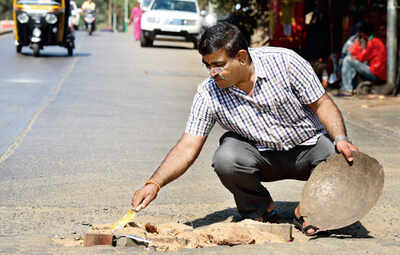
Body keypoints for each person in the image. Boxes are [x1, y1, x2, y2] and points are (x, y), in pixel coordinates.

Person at [131, 22, 358, 236]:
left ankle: (310, 210)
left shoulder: (286, 62)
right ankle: (259, 208)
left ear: (241, 57)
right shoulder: (208, 93)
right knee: (226, 159)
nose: (212, 72)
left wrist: (340, 138)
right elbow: (188, 145)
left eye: (218, 65)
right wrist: (155, 183)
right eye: (208, 65)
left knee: (341, 160)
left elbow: (322, 104)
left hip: (309, 147)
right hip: (260, 157)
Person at [337, 22, 387, 97]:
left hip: (376, 73)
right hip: (379, 72)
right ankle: (350, 87)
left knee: (347, 60)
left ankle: (347, 90)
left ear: (363, 34)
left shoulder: (372, 42)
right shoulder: (376, 41)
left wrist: (355, 50)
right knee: (350, 60)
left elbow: (362, 58)